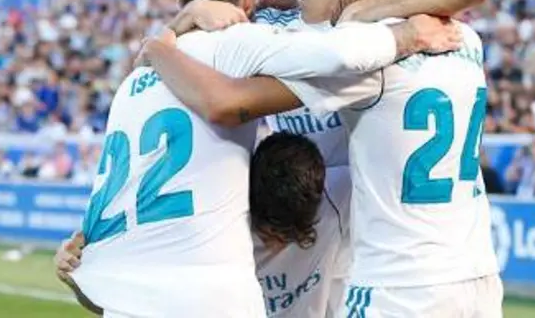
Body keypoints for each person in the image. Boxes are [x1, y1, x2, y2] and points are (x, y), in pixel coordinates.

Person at [63, 0, 456, 318]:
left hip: (126, 296)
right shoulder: (235, 43)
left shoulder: (134, 82)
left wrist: (168, 30)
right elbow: (340, 55)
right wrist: (406, 35)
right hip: (208, 295)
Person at [142, 0, 501, 317]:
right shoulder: (464, 37)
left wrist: (161, 45)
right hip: (477, 275)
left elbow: (225, 103)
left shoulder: (365, 59)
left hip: (399, 284)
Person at [56, 132, 351, 317]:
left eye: (295, 234)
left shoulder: (340, 197)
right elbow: (129, 307)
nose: (278, 244)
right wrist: (77, 279)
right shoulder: (208, 230)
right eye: (269, 233)